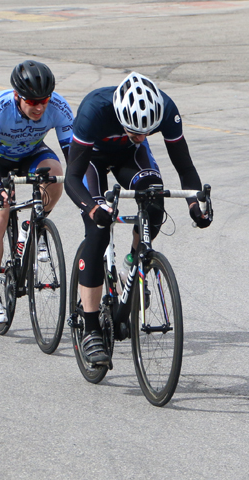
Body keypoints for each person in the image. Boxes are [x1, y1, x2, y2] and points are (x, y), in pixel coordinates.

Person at [62, 72, 211, 365]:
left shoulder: (165, 109)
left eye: (147, 132)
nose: (142, 137)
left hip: (129, 158)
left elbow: (185, 166)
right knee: (98, 230)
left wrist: (196, 203)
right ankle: (91, 328)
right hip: (90, 159)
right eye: (134, 131)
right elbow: (72, 178)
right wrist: (94, 208)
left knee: (154, 201)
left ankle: (135, 263)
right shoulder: (94, 110)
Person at [0, 60, 73, 324]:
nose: (40, 107)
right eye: (32, 102)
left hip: (31, 154)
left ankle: (34, 224)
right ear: (18, 97)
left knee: (57, 174)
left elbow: (73, 155)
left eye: (44, 100)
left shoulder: (58, 107)